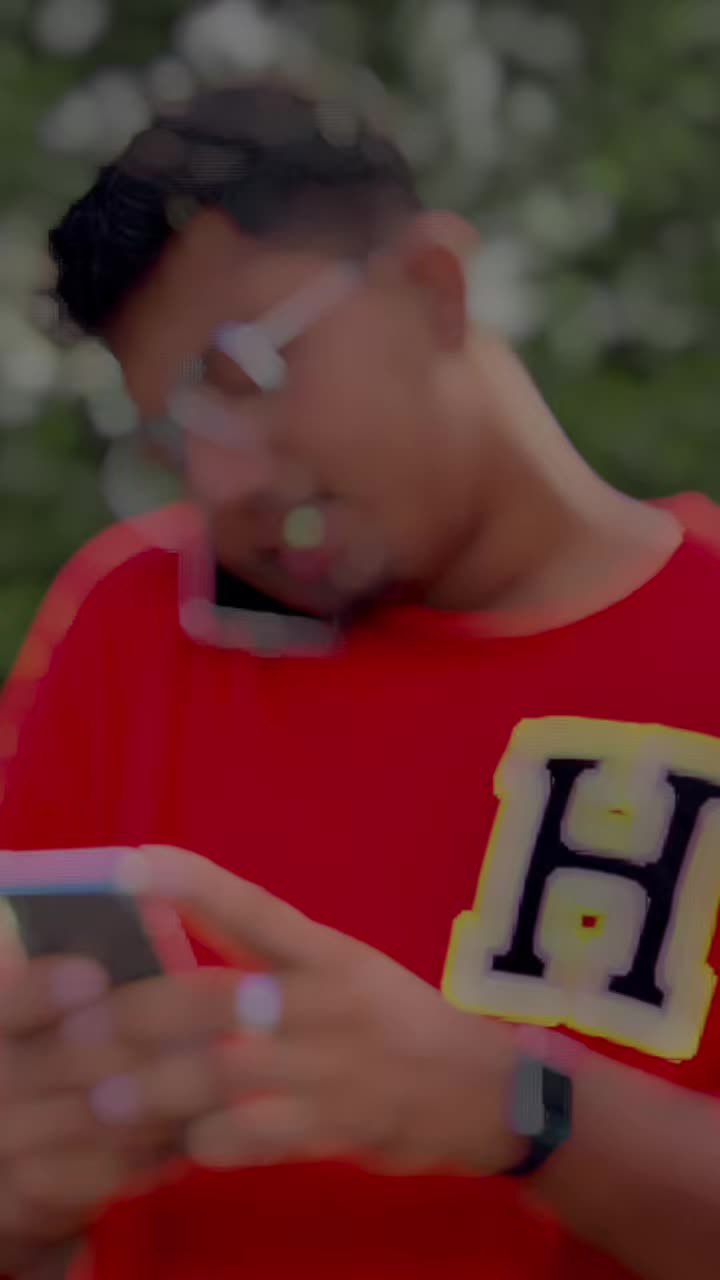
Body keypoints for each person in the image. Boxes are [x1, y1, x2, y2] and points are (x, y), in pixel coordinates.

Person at [1, 79, 720, 1280]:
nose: (222, 481)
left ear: (434, 287)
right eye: (172, 437)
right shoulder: (137, 621)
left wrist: (517, 1105)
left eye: (239, 379)